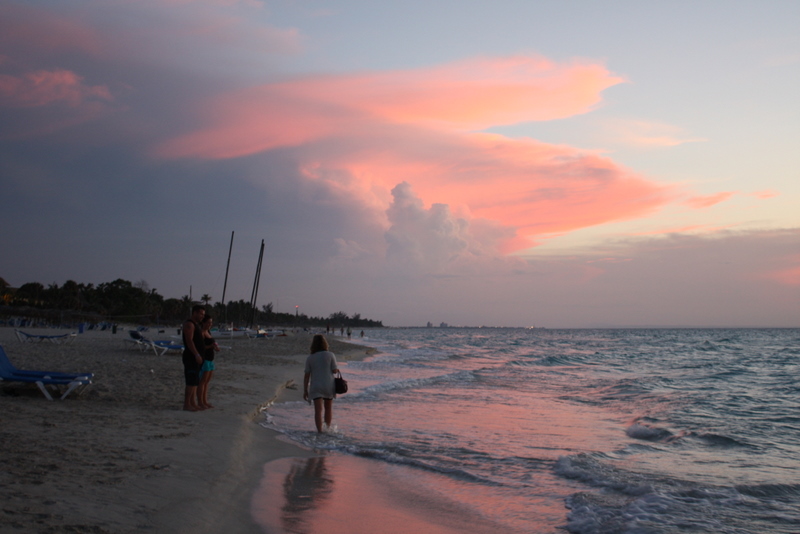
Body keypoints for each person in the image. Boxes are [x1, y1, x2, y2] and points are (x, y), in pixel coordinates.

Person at [303, 334, 339, 433]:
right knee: (328, 409)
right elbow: (334, 371)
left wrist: (305, 390)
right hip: (328, 385)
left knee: (318, 410)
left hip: (316, 385)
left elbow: (307, 375)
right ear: (325, 343)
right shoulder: (330, 355)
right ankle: (327, 429)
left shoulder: (310, 358)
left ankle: (319, 432)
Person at [181, 305, 206, 411]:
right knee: (191, 381)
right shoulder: (189, 324)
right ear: (195, 312)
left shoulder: (196, 325)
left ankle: (192, 403)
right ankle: (187, 404)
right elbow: (189, 340)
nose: (202, 316)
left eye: (203, 315)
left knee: (195, 381)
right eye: (201, 314)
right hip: (191, 357)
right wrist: (196, 354)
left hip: (198, 358)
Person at [197, 314, 220, 409]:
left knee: (207, 382)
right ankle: (200, 402)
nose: (210, 324)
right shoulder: (201, 332)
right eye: (208, 322)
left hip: (211, 359)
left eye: (211, 323)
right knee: (202, 382)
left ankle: (205, 401)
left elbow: (211, 343)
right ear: (203, 322)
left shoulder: (208, 332)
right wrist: (211, 346)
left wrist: (215, 347)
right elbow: (200, 347)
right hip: (205, 359)